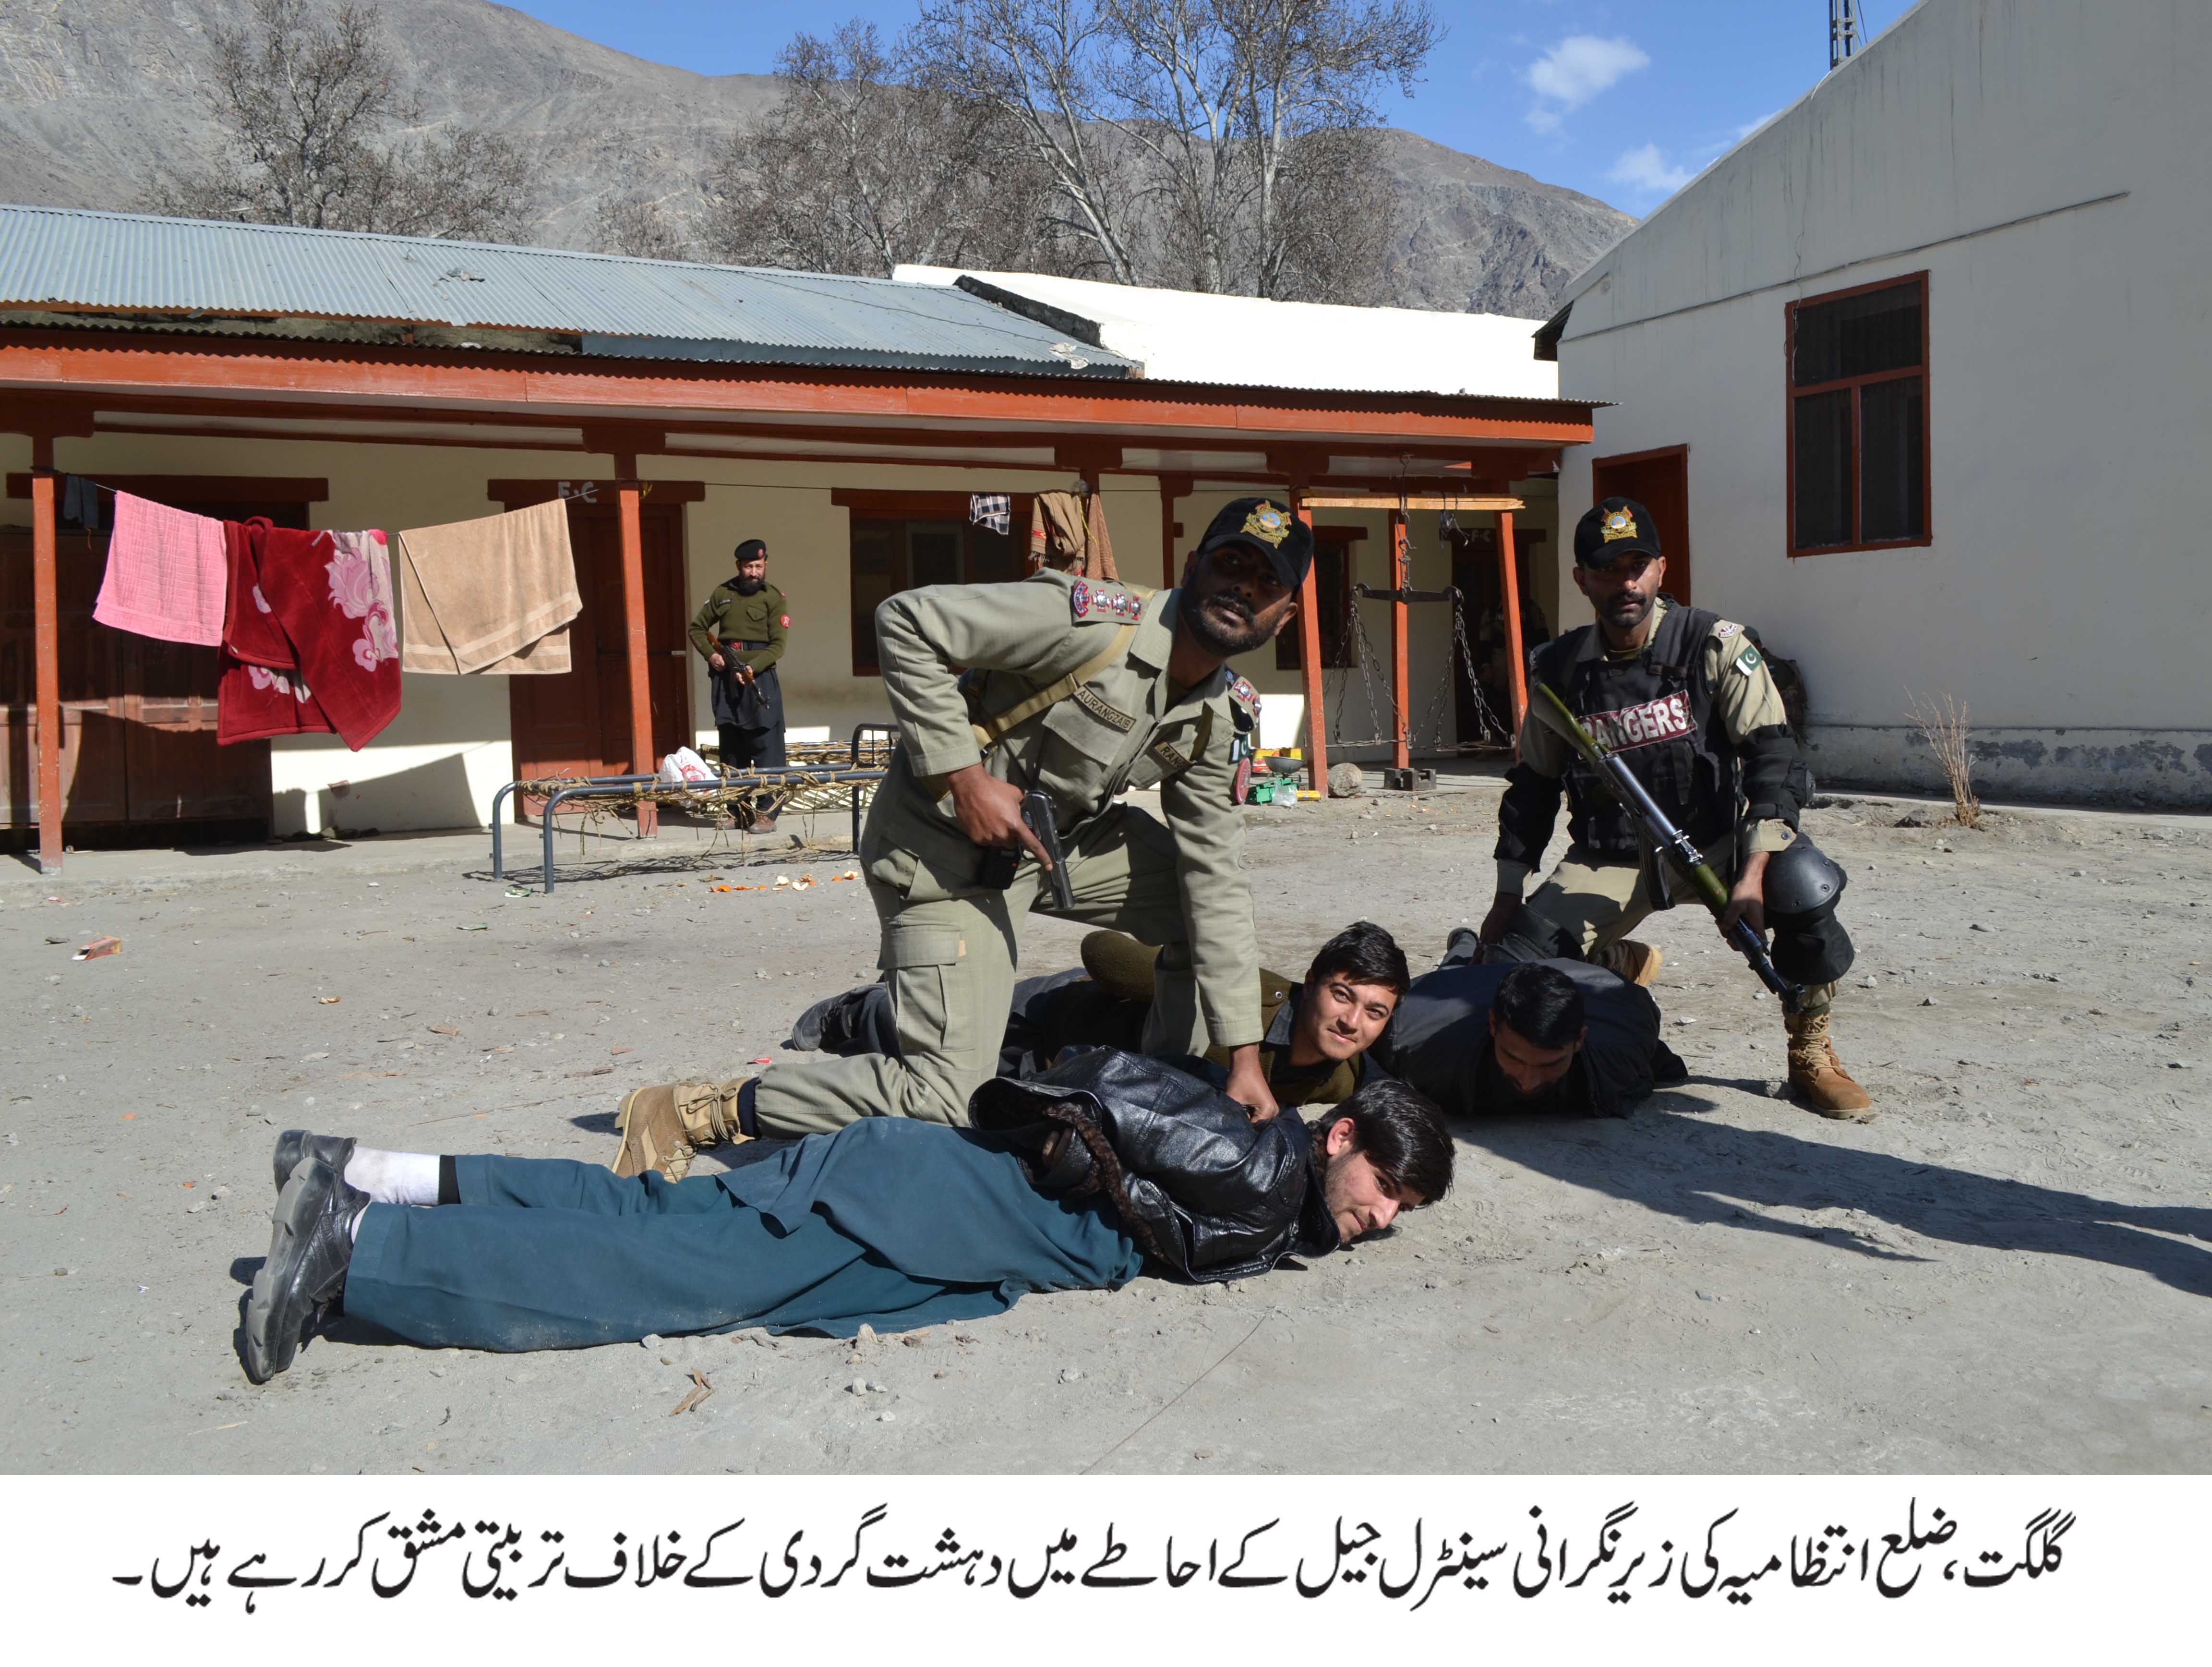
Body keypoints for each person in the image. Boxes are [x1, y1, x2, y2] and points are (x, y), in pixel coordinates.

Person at [614, 497, 1313, 1179]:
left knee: (1199, 906)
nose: (1242, 590)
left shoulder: (1220, 714)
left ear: (1283, 616)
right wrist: (964, 777)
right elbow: (906, 621)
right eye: (1230, 565)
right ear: (1192, 566)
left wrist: (1243, 1059)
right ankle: (698, 1110)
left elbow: (1216, 877)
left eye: (1266, 584)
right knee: (951, 1095)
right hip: (942, 850)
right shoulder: (1096, 625)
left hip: (1051, 844)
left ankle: (1149, 1102)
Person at [239, 1058, 1454, 1382]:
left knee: (652, 1212)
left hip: (915, 1198)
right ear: (1341, 1136)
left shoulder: (1275, 1192)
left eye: (1397, 1209)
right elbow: (1094, 1097)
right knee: (655, 1269)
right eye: (1384, 1187)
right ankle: (358, 1247)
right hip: (914, 1209)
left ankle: (365, 1171)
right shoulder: (1258, 1171)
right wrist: (1106, 1180)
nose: (1380, 1216)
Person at [1475, 497, 1871, 1119]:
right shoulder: (1558, 671)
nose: (1626, 583)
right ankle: (1613, 966)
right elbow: (1533, 786)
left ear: (1661, 569)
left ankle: (1811, 1050)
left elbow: (1774, 758)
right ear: (1581, 579)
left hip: (1716, 841)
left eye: (1637, 566)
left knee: (1801, 884)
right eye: (1608, 569)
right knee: (1517, 964)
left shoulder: (1715, 646)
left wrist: (1752, 873)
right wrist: (1507, 895)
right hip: (1610, 855)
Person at [779, 921, 1407, 1138]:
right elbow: (1103, 951)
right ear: (1310, 983)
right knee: (924, 1040)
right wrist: (1168, 972)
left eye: (1374, 1012)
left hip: (1076, 1081)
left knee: (969, 1104)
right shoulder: (1242, 995)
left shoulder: (1340, 1077)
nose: (1351, 1021)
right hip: (1054, 1017)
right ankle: (858, 1010)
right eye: (1342, 995)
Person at [1372, 939, 1684, 1119]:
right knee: (1457, 971)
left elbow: (1645, 1068)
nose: (1528, 1081)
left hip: (1587, 978)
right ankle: (1465, 945)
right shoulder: (1411, 1042)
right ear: (1493, 1026)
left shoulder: (1626, 1034)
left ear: (1580, 1039)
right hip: (1454, 989)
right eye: (1514, 1058)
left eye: (1550, 1064)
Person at [688, 538, 789, 832]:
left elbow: (778, 646)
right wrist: (712, 656)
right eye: (748, 567)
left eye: (758, 566)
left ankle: (767, 813)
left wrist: (752, 668)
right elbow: (697, 628)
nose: (754, 573)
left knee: (766, 748)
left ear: (766, 565)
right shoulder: (723, 594)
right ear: (738, 566)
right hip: (726, 680)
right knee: (732, 748)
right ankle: (737, 811)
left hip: (760, 679)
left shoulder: (774, 598)